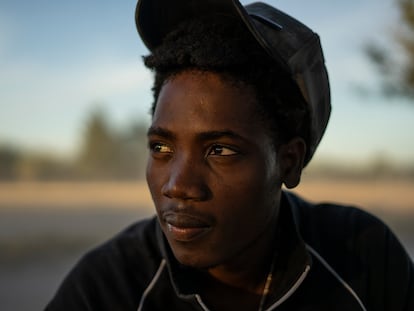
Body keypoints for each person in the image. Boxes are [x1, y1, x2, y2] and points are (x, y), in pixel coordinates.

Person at [45, 0, 414, 310]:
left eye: (219, 150)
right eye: (161, 147)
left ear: (289, 162)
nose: (177, 185)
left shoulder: (364, 260)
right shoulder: (109, 289)